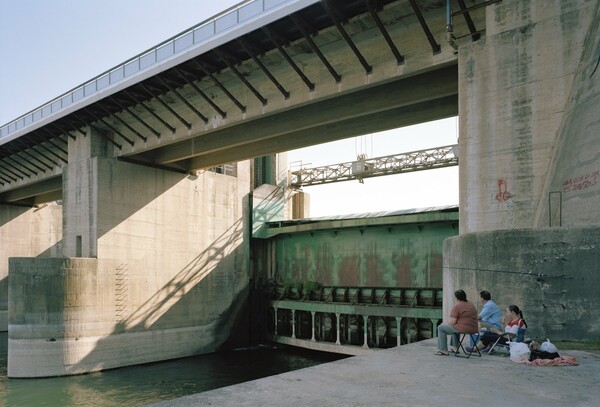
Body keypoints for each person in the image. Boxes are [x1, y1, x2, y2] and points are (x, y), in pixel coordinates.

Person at [435, 289, 478, 356]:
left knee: (441, 327)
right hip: (474, 328)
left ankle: (443, 350)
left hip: (464, 329)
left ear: (457, 298)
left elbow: (452, 322)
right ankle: (455, 348)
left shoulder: (457, 307)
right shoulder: (471, 304)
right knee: (455, 327)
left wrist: (445, 324)